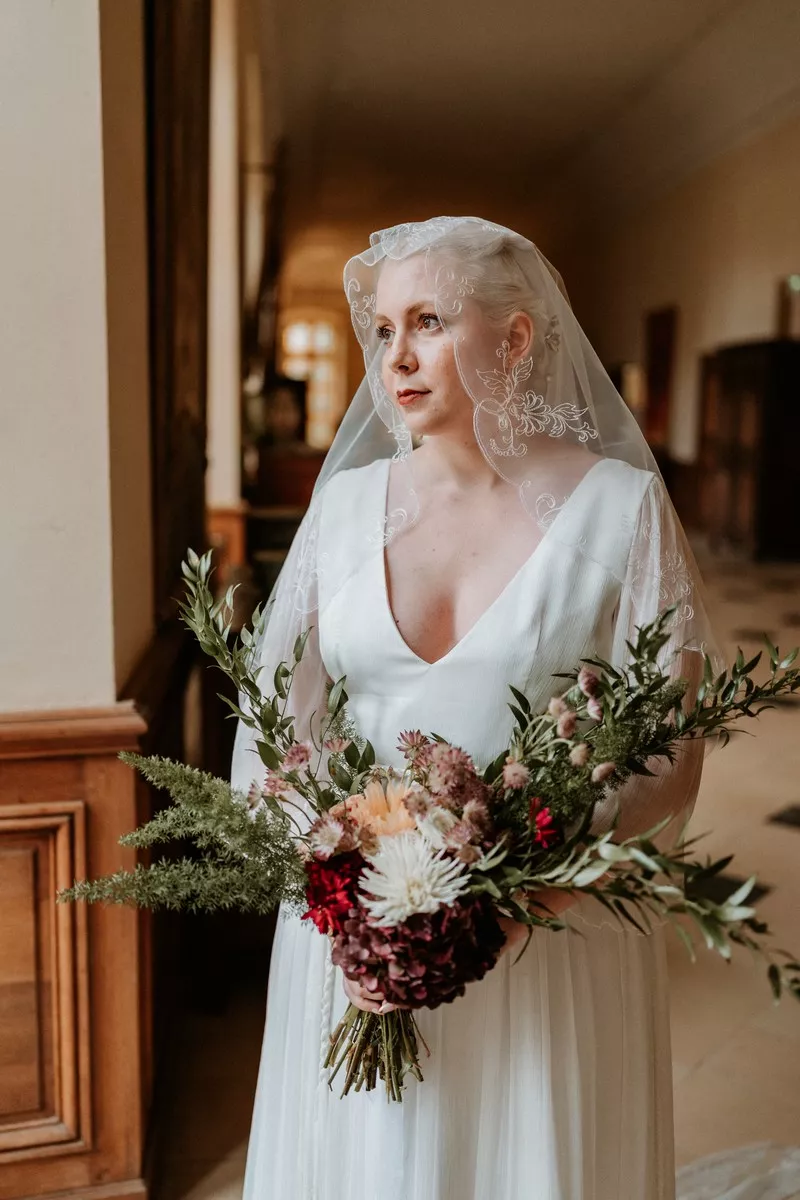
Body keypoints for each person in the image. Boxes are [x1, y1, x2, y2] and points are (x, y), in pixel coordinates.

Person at [229, 218, 759, 1200]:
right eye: (383, 329)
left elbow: (666, 749)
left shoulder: (617, 511)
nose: (395, 357)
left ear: (514, 340)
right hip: (357, 938)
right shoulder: (344, 509)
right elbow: (271, 725)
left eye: (426, 321)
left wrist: (518, 901)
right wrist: (341, 883)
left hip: (548, 941)